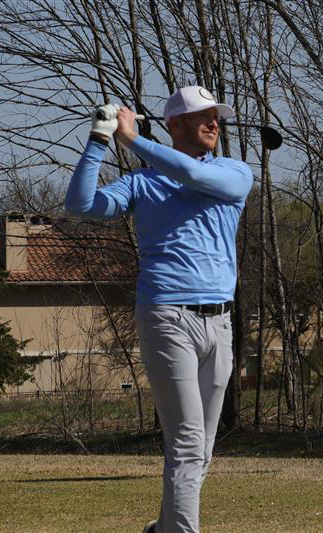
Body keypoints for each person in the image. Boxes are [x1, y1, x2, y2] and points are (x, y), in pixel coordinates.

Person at [65, 86, 253, 533]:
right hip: (167, 317)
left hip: (220, 322)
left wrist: (132, 141)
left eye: (216, 116)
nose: (214, 124)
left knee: (201, 448)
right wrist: (99, 139)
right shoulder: (143, 183)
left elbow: (192, 175)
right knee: (188, 443)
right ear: (175, 125)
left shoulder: (233, 172)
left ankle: (163, 529)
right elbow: (80, 204)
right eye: (203, 116)